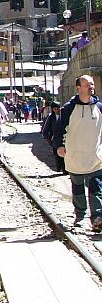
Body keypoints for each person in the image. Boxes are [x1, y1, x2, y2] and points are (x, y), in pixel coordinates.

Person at [53, 75, 102, 231]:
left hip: (95, 156)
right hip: (75, 156)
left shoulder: (99, 107)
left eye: (92, 84)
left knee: (96, 189)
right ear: (79, 88)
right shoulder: (68, 108)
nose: (91, 87)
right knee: (78, 189)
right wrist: (59, 146)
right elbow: (59, 129)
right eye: (87, 84)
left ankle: (97, 219)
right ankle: (80, 216)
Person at [41, 101, 66, 174]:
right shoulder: (51, 117)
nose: (56, 110)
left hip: (65, 138)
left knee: (65, 155)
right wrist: (49, 140)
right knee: (57, 156)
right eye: (54, 109)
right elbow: (45, 130)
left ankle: (65, 170)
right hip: (55, 139)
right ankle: (59, 169)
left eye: (58, 108)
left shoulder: (64, 116)